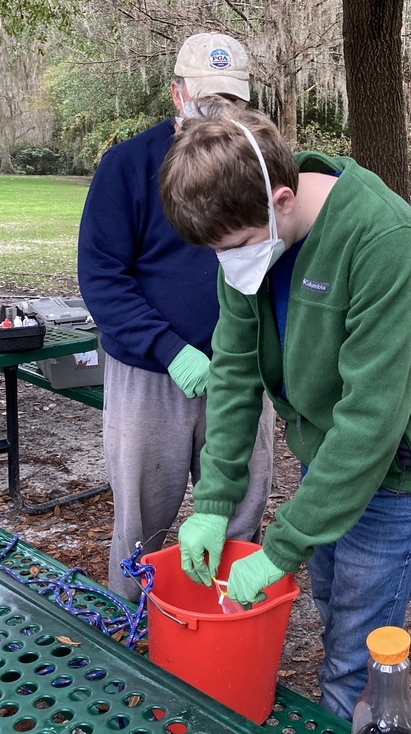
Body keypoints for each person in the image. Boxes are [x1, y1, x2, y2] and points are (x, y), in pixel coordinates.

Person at [158, 109, 411, 720]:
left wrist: (281, 546)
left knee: (354, 657)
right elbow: (237, 376)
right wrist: (213, 504)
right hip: (326, 459)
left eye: (237, 247)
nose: (230, 263)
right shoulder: (247, 245)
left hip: (391, 469)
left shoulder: (383, 240)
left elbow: (371, 422)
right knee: (329, 603)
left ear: (282, 199)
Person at [77, 34, 276, 603]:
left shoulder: (258, 165)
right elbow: (101, 276)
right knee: (142, 519)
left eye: (230, 102)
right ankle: (130, 626)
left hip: (239, 371)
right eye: (206, 99)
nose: (218, 114)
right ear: (177, 94)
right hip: (151, 376)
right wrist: (167, 347)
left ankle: (227, 622)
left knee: (240, 509)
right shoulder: (127, 167)